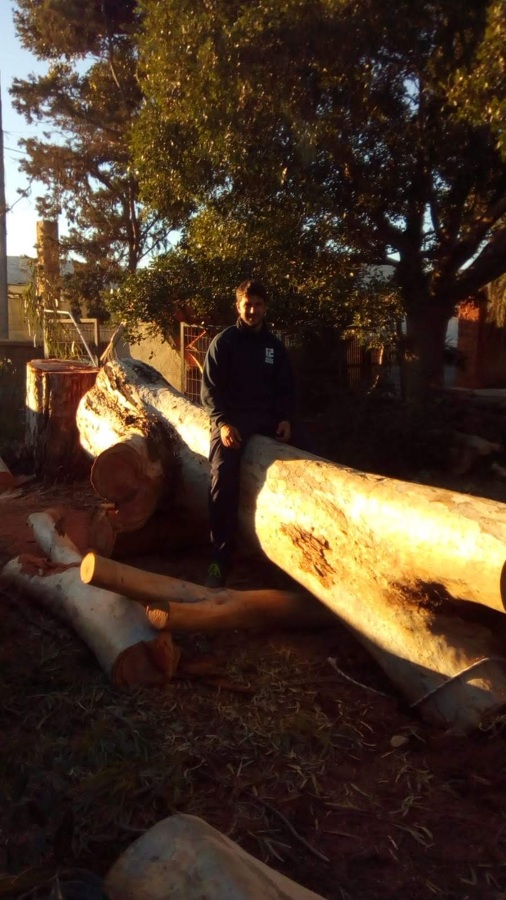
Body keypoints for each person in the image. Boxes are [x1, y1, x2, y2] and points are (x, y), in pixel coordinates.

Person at [201, 279, 299, 588]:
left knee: (308, 459)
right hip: (232, 422)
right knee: (222, 478)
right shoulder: (224, 342)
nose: (252, 310)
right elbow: (210, 391)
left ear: (265, 307)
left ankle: (295, 556)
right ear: (238, 306)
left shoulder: (274, 346)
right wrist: (223, 423)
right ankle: (221, 559)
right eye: (247, 304)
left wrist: (285, 419)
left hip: (267, 420)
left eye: (257, 304)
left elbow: (285, 387)